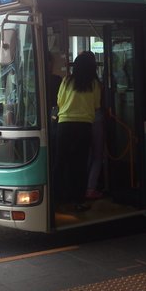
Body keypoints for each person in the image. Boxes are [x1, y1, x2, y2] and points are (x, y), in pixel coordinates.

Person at [55, 51, 101, 212]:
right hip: (83, 127)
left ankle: (58, 198)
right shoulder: (94, 84)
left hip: (64, 125)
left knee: (60, 163)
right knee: (79, 165)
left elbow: (59, 101)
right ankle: (78, 201)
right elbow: (96, 105)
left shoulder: (67, 80)